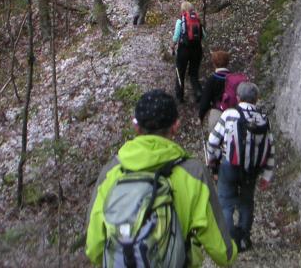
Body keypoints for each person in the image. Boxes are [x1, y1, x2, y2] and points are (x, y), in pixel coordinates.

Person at [86, 89, 237, 267]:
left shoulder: (111, 172)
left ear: (136, 127)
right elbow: (222, 252)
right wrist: (231, 253)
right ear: (176, 126)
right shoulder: (194, 173)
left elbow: (93, 247)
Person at [207, 81, 274, 253]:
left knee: (226, 202)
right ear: (256, 99)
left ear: (237, 97)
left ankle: (229, 241)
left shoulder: (230, 114)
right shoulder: (264, 119)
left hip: (229, 165)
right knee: (246, 203)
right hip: (252, 169)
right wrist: (267, 175)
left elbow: (213, 141)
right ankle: (244, 239)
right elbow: (270, 148)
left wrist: (212, 160)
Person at [170, 1, 205, 103]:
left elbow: (176, 36)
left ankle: (179, 97)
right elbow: (204, 36)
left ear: (182, 10)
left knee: (180, 73)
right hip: (197, 49)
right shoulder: (197, 20)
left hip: (184, 50)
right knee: (194, 73)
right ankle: (198, 93)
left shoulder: (180, 21)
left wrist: (172, 46)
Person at [199, 50, 231, 132]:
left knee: (214, 137)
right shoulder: (233, 78)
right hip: (232, 112)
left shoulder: (212, 79)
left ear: (214, 64)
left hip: (217, 112)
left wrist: (201, 116)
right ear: (227, 63)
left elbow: (205, 102)